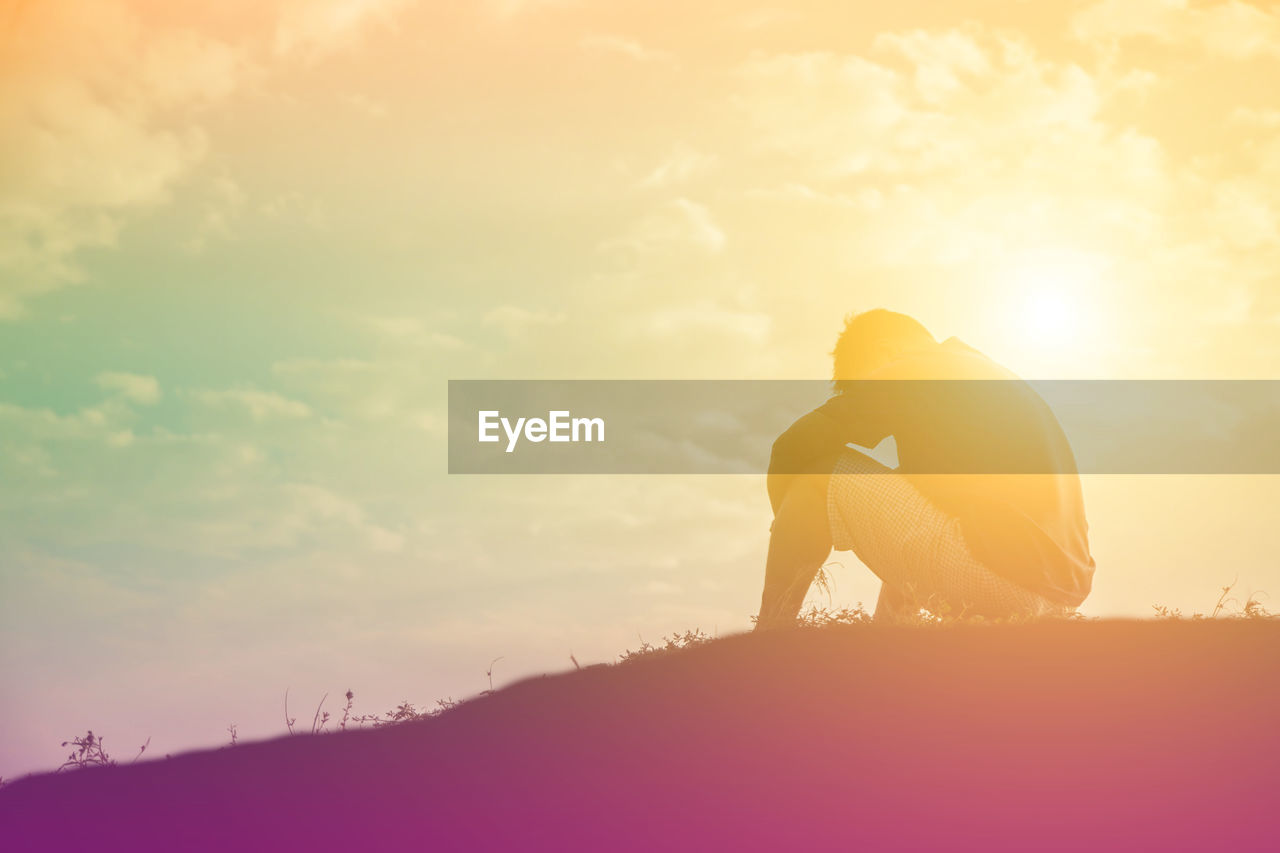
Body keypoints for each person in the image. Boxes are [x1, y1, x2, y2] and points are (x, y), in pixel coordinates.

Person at [756, 309, 1095, 627]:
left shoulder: (916, 367)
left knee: (813, 475)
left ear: (886, 351)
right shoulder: (986, 376)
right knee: (914, 496)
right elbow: (919, 510)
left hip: (998, 573)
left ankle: (769, 640)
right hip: (1056, 598)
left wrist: (788, 520)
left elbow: (790, 447)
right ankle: (887, 638)